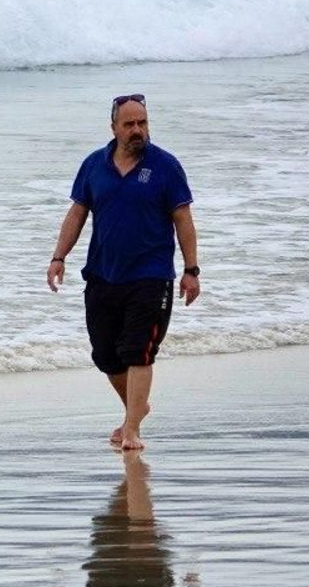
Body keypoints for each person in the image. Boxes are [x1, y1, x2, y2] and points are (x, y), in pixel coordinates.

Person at [47, 94, 200, 451]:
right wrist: (58, 257)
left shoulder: (165, 166)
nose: (137, 130)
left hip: (151, 276)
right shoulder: (94, 165)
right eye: (129, 124)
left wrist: (191, 270)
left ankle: (131, 429)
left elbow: (183, 220)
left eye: (142, 123)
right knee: (105, 355)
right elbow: (77, 214)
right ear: (113, 127)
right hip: (102, 275)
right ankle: (137, 408)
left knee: (138, 353)